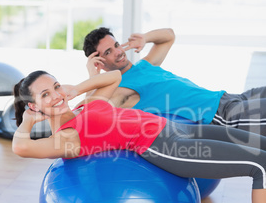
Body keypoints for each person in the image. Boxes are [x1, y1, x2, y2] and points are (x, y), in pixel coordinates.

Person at [12, 67, 266, 203]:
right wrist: (28, 120)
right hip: (167, 147)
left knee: (259, 145)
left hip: (174, 128)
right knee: (260, 165)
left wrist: (75, 89)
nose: (56, 95)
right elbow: (21, 147)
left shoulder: (83, 107)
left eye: (56, 86)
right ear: (34, 105)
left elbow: (113, 77)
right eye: (46, 94)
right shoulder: (67, 138)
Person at [83, 27, 266, 136]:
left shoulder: (144, 65)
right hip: (218, 115)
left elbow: (168, 36)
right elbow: (90, 115)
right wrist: (94, 77)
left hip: (228, 98)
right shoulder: (121, 90)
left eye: (115, 45)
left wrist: (145, 38)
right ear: (101, 63)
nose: (117, 52)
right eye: (108, 52)